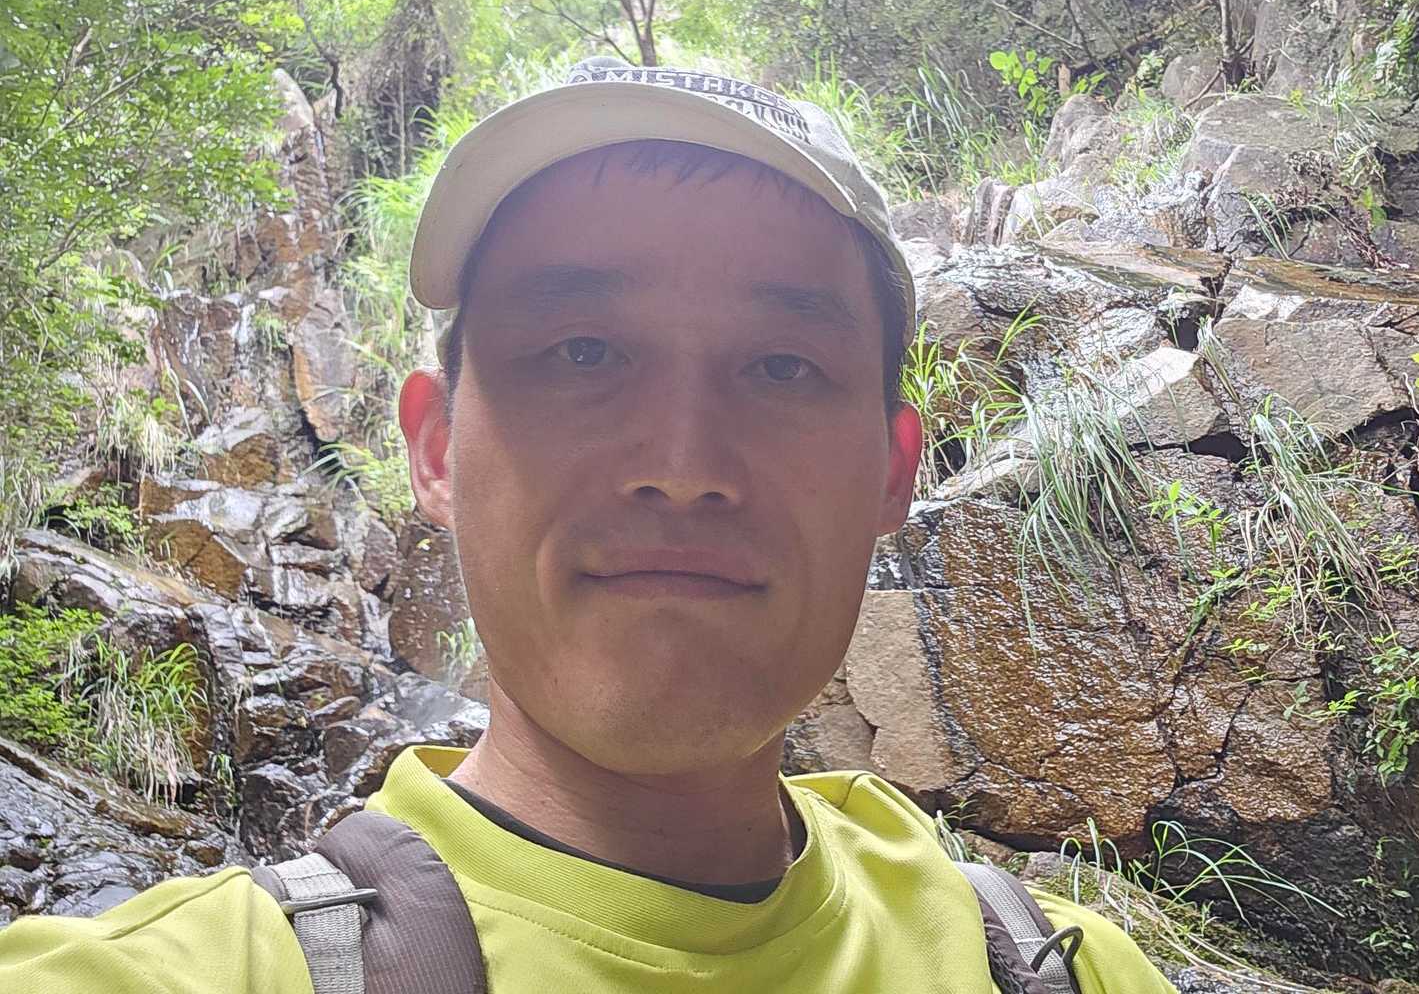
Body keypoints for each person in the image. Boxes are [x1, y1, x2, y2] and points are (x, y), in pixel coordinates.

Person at [0, 58, 1177, 992]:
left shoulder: (1059, 968)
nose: (683, 467)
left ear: (892, 472)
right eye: (581, 353)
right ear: (435, 450)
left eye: (781, 366)